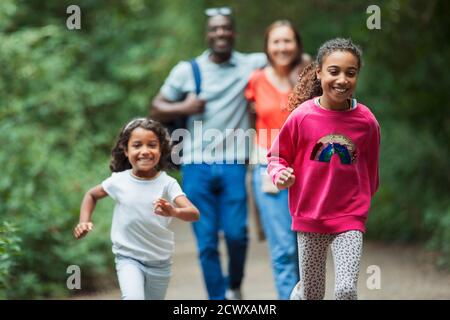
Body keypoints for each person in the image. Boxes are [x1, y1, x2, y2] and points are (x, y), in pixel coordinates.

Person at [150, 7, 266, 300]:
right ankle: (217, 299)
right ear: (207, 34)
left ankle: (234, 284)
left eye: (225, 28)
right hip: (195, 165)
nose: (220, 33)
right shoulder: (187, 70)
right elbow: (156, 106)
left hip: (233, 164)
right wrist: (183, 108)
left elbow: (289, 59)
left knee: (238, 234)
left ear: (233, 32)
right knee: (207, 241)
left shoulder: (251, 64)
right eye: (214, 29)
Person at [267, 38, 380, 300]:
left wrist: (362, 201)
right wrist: (280, 175)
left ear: (357, 76)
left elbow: (371, 169)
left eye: (350, 73)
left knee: (345, 289)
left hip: (349, 217)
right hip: (310, 216)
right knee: (312, 294)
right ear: (319, 72)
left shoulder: (366, 121)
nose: (342, 79)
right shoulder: (302, 117)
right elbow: (276, 157)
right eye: (334, 71)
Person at [73, 118, 199, 300]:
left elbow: (194, 213)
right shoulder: (119, 181)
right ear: (126, 150)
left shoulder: (167, 183)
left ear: (161, 150)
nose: (145, 151)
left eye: (152, 145)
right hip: (128, 257)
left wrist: (174, 211)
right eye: (137, 145)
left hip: (159, 260)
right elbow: (91, 195)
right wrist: (84, 221)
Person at [244, 20, 311, 299]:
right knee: (283, 249)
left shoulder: (311, 77)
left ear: (296, 44)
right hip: (268, 167)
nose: (282, 47)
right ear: (267, 47)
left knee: (306, 248)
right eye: (276, 42)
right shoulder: (257, 80)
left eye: (287, 41)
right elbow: (250, 118)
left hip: (309, 169)